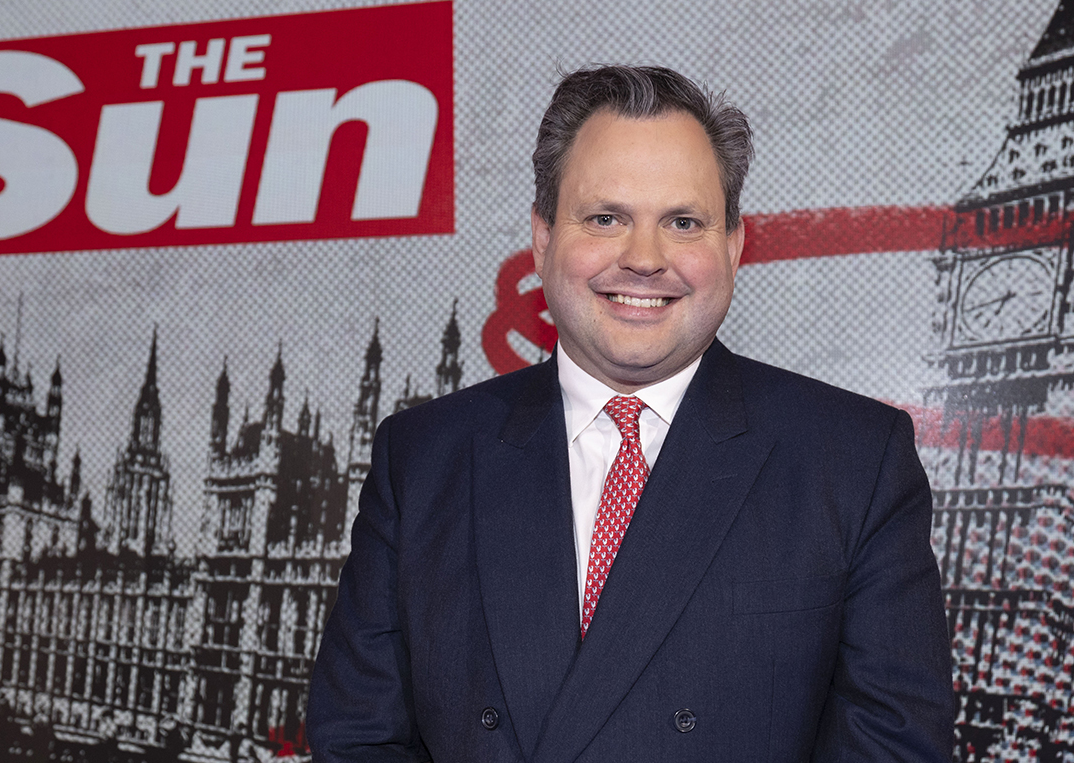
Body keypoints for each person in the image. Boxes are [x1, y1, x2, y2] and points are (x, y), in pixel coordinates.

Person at [307, 65, 953, 762]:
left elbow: (894, 748)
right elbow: (359, 737)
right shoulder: (422, 457)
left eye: (683, 222)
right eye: (605, 219)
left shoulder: (853, 462)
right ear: (543, 238)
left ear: (733, 247)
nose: (644, 258)